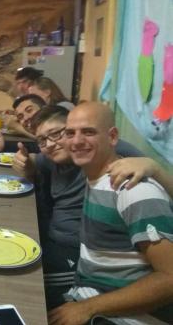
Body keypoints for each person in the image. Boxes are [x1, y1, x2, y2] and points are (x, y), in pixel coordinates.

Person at [49, 102, 173, 325]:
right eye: (70, 133)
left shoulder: (134, 190)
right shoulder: (96, 176)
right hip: (89, 294)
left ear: (113, 137)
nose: (77, 141)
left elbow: (170, 278)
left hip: (124, 314)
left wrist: (87, 308)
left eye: (88, 132)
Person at [14, 105, 144, 310]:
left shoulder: (109, 155)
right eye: (41, 140)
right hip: (52, 239)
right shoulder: (51, 158)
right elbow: (31, 159)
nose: (50, 144)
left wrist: (150, 166)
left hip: (77, 252)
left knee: (21, 285)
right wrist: (28, 168)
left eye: (57, 134)